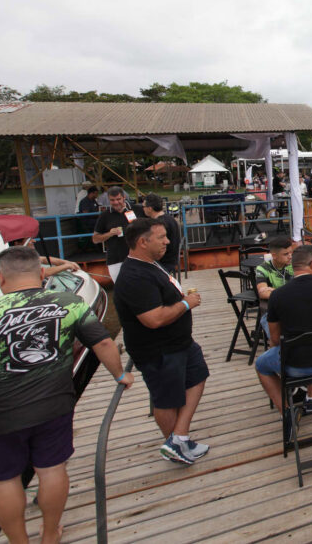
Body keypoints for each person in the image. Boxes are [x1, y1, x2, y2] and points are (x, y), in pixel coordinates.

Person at [0, 246, 132, 544]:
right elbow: (104, 344)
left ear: (0, 278)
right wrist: (121, 375)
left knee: (4, 480)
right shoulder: (69, 303)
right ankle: (49, 533)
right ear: (43, 273)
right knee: (51, 470)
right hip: (53, 407)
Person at [113, 218, 210, 465]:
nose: (168, 241)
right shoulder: (134, 275)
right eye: (161, 237)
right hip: (159, 350)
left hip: (180, 343)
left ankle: (178, 437)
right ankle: (175, 443)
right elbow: (153, 319)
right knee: (167, 398)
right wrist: (186, 303)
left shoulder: (151, 265)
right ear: (143, 242)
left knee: (197, 377)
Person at [255, 244, 312, 413]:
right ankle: (310, 396)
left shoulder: (278, 295)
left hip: (295, 365)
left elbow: (275, 340)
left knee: (261, 364)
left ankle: (287, 413)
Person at [92, 186, 137, 283]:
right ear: (108, 199)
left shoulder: (135, 210)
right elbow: (95, 239)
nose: (116, 202)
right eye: (112, 200)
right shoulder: (105, 215)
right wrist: (109, 233)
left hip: (136, 257)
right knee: (121, 289)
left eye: (118, 199)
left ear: (124, 197)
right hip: (115, 260)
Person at [255, 235, 294, 334]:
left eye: (291, 252)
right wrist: (291, 293)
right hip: (272, 309)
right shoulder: (262, 268)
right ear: (274, 256)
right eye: (286, 254)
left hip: (293, 306)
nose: (290, 256)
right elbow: (263, 292)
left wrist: (274, 290)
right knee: (279, 339)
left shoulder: (294, 264)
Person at [142, 193, 182, 274]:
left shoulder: (158, 224)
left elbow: (157, 248)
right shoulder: (170, 219)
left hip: (163, 263)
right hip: (171, 259)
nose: (143, 209)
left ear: (150, 208)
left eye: (143, 207)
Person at [76, 186, 100, 251]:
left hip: (94, 220)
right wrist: (97, 213)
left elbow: (98, 208)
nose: (97, 195)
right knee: (101, 224)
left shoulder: (94, 201)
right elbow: (85, 213)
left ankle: (101, 244)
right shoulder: (85, 201)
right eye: (96, 193)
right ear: (92, 193)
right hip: (87, 221)